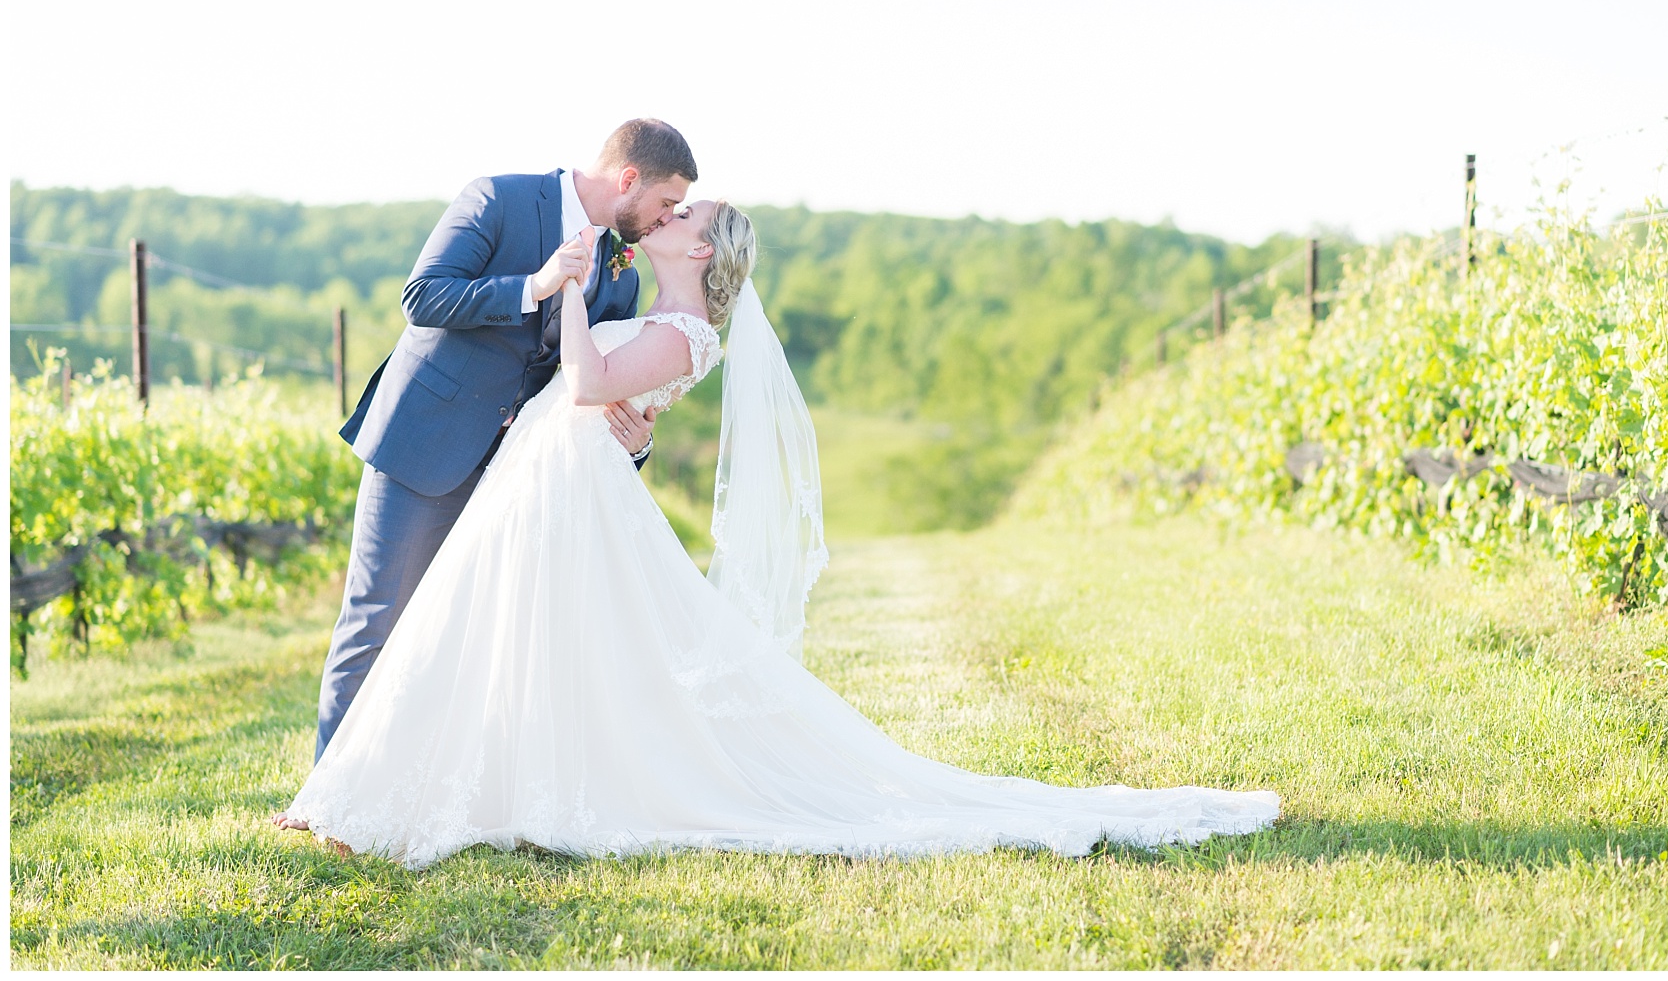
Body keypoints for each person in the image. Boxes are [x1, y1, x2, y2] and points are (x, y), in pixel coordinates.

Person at [279, 198, 1280, 867]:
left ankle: (484, 787)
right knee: (507, 631)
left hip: (569, 488)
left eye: (685, 216)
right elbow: (585, 392)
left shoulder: (685, 328)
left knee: (553, 633)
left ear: (701, 250)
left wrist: (569, 287)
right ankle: (434, 779)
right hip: (548, 480)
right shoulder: (652, 305)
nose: (666, 217)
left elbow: (586, 380)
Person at [293, 119, 699, 799]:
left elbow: (587, 388)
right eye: (664, 203)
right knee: (376, 621)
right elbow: (422, 296)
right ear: (628, 179)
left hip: (516, 475)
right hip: (427, 443)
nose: (664, 221)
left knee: (470, 635)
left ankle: (424, 791)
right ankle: (327, 796)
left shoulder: (622, 276)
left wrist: (638, 443)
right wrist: (533, 285)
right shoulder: (498, 199)